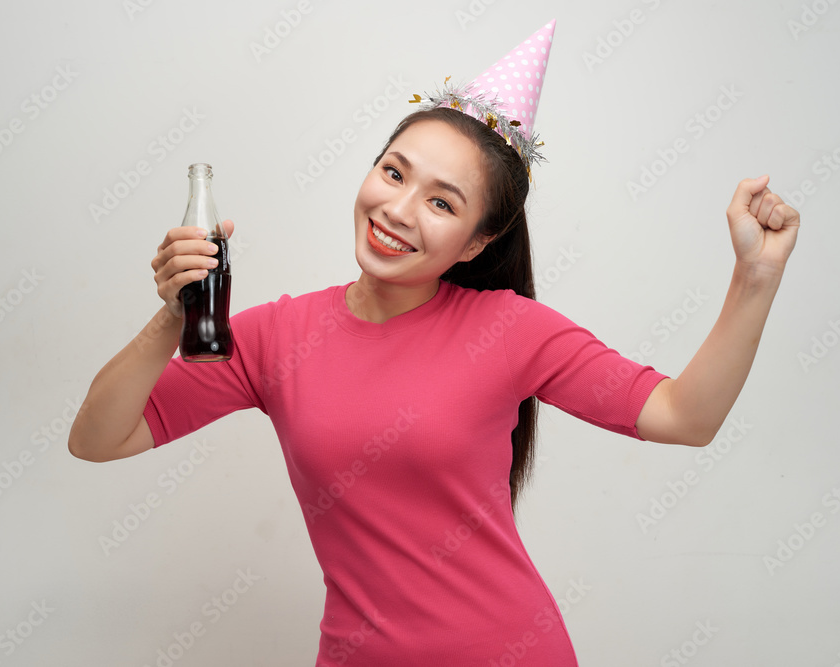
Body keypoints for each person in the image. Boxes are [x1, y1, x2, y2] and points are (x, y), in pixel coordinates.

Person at [68, 20, 799, 666]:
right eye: (393, 173)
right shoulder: (276, 335)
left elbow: (683, 416)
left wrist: (755, 278)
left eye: (442, 202)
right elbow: (99, 437)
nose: (397, 209)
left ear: (479, 241)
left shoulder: (511, 330)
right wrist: (174, 312)